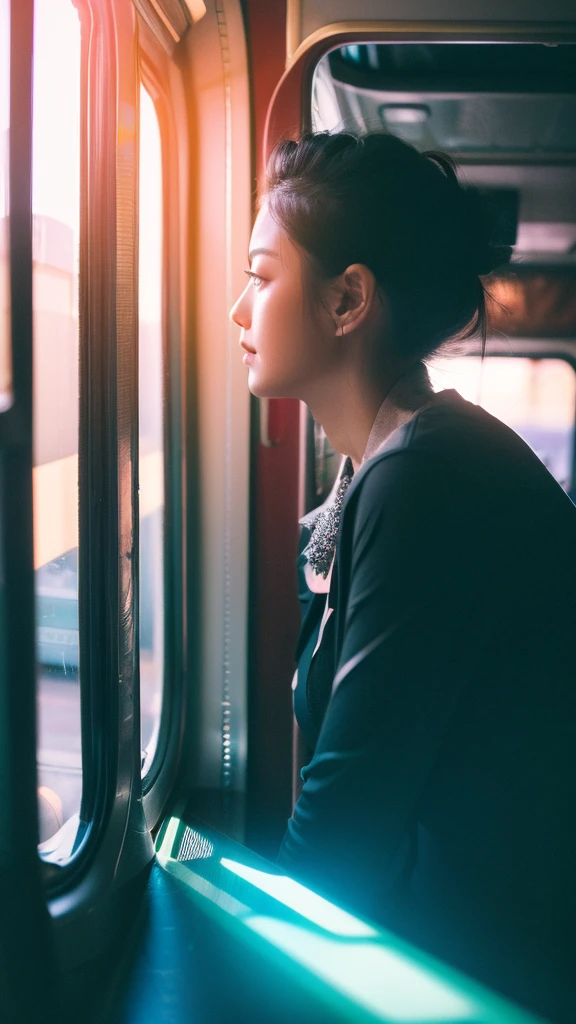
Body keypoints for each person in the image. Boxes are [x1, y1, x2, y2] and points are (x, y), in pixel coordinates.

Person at [229, 132, 576, 1022]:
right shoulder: (387, 469)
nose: (239, 309)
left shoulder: (425, 478)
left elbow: (347, 815)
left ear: (348, 299)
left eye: (262, 277)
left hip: (490, 970)